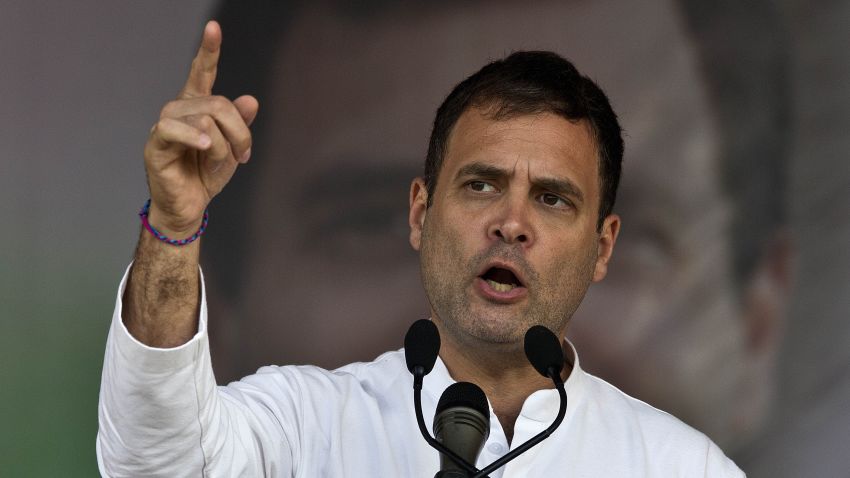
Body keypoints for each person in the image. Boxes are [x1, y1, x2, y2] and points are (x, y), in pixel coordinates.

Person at [97, 19, 744, 476]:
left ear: (603, 247)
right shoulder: (308, 423)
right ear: (420, 212)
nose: (511, 223)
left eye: (551, 198)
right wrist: (175, 225)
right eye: (481, 183)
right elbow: (155, 465)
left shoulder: (681, 466)